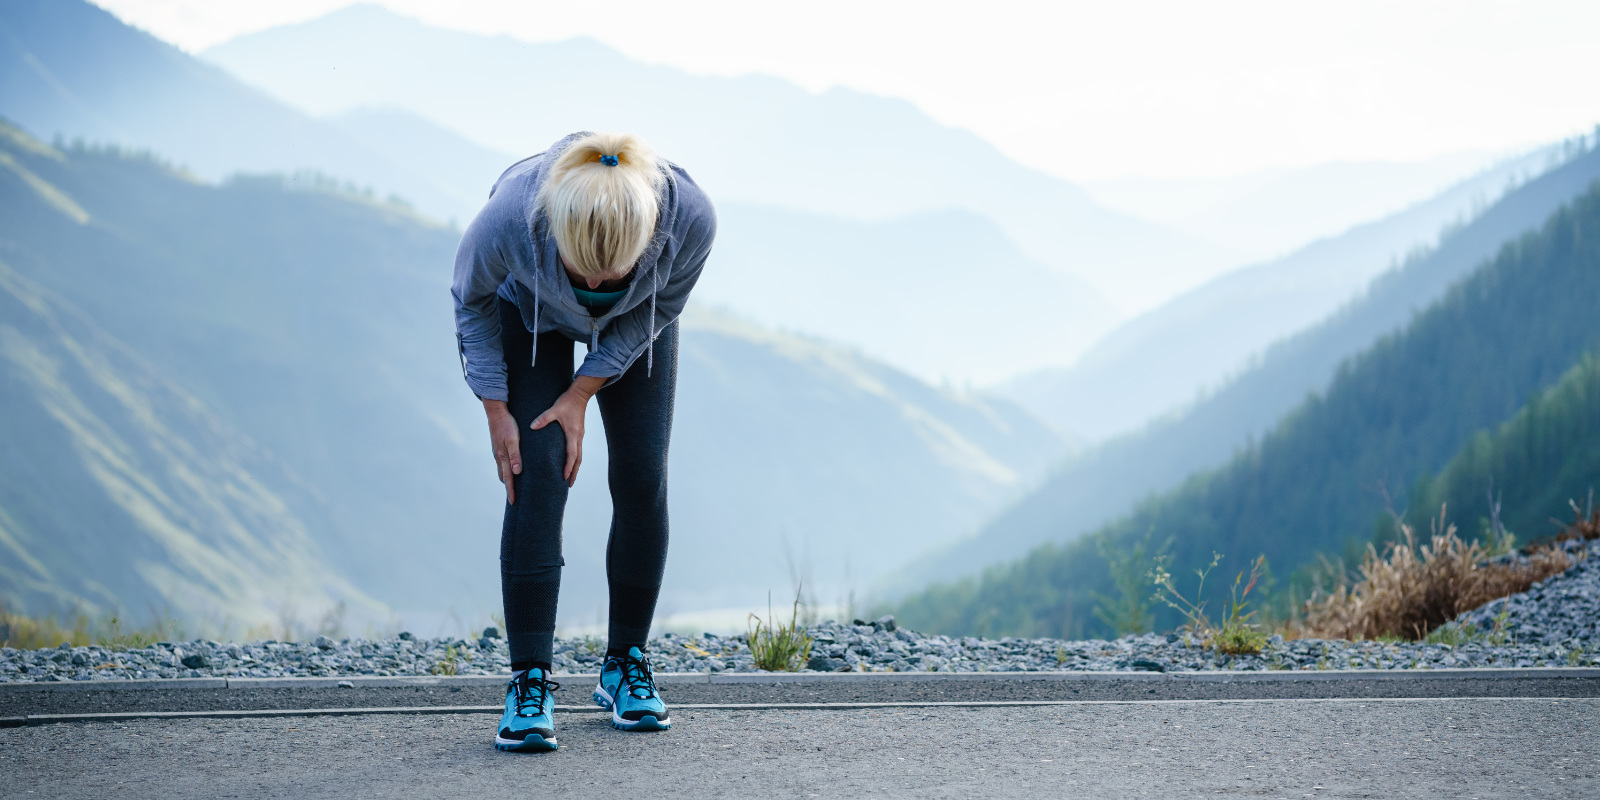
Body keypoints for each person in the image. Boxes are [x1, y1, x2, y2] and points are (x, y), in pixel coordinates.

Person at [452, 131, 716, 752]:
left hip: (639, 323)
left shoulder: (690, 221)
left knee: (642, 474)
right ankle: (529, 680)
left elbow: (664, 309)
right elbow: (471, 303)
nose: (594, 288)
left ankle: (625, 663)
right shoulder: (510, 220)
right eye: (581, 275)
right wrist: (495, 406)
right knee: (535, 465)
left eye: (611, 277)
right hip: (530, 313)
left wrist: (581, 393)